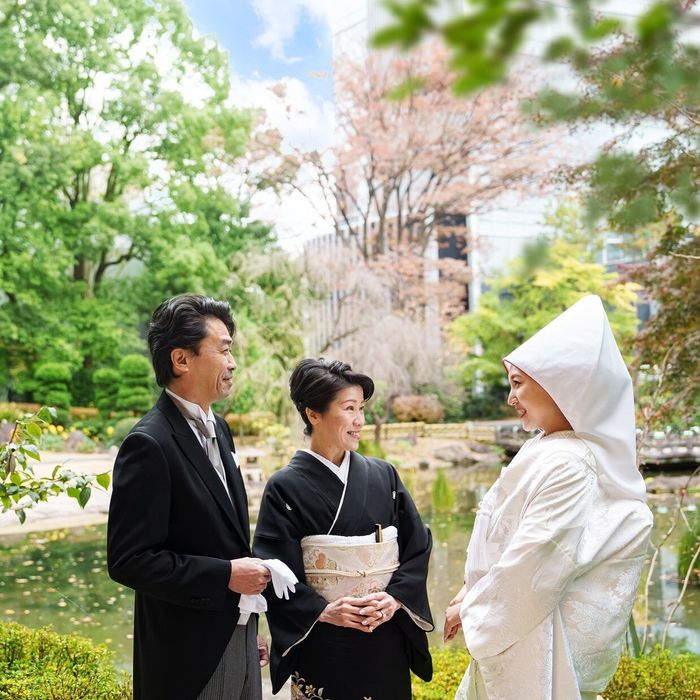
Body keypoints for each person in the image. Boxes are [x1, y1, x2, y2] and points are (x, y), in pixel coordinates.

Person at [443, 295, 653, 700]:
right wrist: (472, 589)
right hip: (518, 623)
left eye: (518, 383)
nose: (511, 398)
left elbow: (537, 557)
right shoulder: (548, 448)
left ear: (561, 384)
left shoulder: (570, 462)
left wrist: (473, 611)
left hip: (530, 631)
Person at [107, 294, 271, 700]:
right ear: (182, 360)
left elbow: (228, 539)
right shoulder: (149, 443)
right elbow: (130, 561)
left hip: (240, 636)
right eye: (224, 349)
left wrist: (249, 624)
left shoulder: (222, 429)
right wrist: (225, 576)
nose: (232, 363)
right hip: (187, 661)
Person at [253, 358, 434, 699]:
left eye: (362, 409)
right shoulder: (284, 487)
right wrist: (322, 610)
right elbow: (274, 571)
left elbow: (418, 546)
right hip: (324, 640)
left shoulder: (384, 475)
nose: (359, 421)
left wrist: (394, 599)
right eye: (349, 408)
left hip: (384, 636)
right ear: (313, 414)